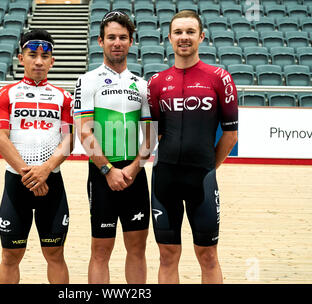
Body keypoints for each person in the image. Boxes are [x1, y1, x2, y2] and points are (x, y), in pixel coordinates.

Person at [147, 10, 239, 284]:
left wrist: (209, 166)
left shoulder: (219, 78)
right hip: (165, 178)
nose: (184, 37)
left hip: (202, 178)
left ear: (201, 36)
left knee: (208, 255)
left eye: (189, 32)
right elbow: (155, 134)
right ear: (169, 37)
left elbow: (231, 135)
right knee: (167, 255)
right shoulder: (156, 82)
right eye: (178, 32)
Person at [74, 10, 154, 284]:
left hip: (135, 175)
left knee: (137, 249)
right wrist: (108, 170)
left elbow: (150, 135)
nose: (117, 42)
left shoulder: (142, 86)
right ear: (100, 41)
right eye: (111, 37)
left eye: (122, 37)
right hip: (101, 174)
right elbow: (83, 131)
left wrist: (133, 167)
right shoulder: (86, 80)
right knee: (100, 251)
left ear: (131, 42)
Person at [0, 29, 74, 284]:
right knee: (10, 255)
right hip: (18, 183)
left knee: (55, 253)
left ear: (52, 61)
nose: (38, 60)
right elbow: (0, 138)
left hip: (52, 183)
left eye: (44, 55)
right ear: (20, 58)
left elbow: (69, 140)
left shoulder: (64, 97)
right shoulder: (5, 93)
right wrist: (31, 175)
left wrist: (45, 170)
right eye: (32, 55)